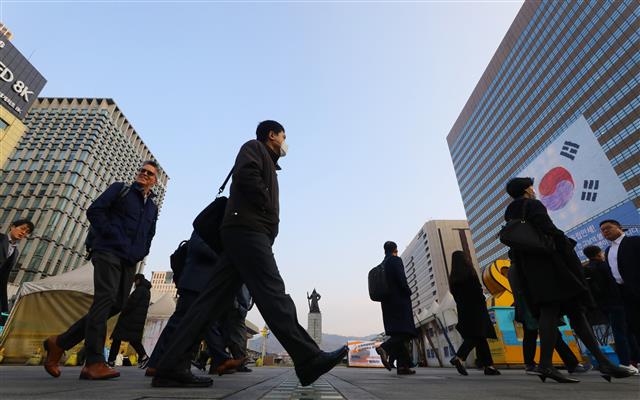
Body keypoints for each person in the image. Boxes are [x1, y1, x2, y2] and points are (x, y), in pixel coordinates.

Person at [152, 121, 348, 388]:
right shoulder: (254, 147)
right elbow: (245, 176)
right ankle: (308, 357)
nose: (285, 141)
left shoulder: (266, 158)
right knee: (272, 292)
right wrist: (266, 210)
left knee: (209, 304)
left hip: (243, 232)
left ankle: (170, 365)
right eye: (283, 136)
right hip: (248, 230)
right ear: (272, 135)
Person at [504, 177, 632, 383]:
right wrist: (566, 244)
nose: (534, 189)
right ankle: (549, 365)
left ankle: (602, 363)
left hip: (533, 270)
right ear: (527, 189)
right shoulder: (532, 205)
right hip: (552, 268)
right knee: (559, 311)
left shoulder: (511, 213)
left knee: (568, 311)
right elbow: (550, 231)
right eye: (531, 186)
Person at [42, 161, 160, 380]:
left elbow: (150, 234)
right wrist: (113, 236)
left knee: (118, 303)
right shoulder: (120, 189)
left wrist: (141, 252)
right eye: (142, 170)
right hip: (107, 251)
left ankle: (59, 342)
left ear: (155, 180)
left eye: (150, 173)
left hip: (129, 259)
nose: (144, 174)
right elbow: (95, 211)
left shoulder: (152, 207)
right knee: (104, 299)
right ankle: (94, 361)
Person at [146, 231, 246, 377]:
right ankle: (155, 364)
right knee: (180, 323)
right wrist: (224, 257)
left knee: (204, 323)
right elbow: (200, 247)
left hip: (203, 283)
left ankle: (221, 359)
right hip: (195, 282)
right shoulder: (205, 226)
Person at [508, 261, 589, 375]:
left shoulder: (512, 269)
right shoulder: (522, 266)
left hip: (526, 306)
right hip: (533, 306)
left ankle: (531, 364)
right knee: (552, 333)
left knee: (532, 335)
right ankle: (571, 363)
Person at [583, 245, 639, 374]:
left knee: (623, 331)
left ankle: (632, 361)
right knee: (623, 332)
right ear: (598, 254)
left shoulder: (588, 269)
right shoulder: (604, 266)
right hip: (616, 303)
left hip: (603, 306)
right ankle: (626, 362)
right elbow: (614, 283)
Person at [448, 251, 500, 376]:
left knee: (479, 337)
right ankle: (459, 356)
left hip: (463, 309)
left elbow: (455, 296)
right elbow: (477, 290)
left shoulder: (453, 278)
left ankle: (488, 366)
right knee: (477, 335)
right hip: (476, 308)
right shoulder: (470, 272)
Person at [600, 219, 640, 367]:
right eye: (602, 230)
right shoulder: (608, 250)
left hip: (637, 288)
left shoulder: (634, 242)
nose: (605, 232)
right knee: (635, 326)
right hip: (624, 294)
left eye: (608, 228)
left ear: (619, 227)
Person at [374, 241, 417, 376]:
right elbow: (401, 279)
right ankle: (384, 347)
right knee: (406, 332)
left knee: (398, 334)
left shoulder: (382, 264)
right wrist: (408, 292)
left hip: (387, 304)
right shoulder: (395, 260)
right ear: (395, 250)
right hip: (399, 302)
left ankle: (403, 367)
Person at [107, 274, 152, 368]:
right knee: (133, 340)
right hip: (136, 320)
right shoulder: (146, 291)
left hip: (129, 319)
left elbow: (131, 304)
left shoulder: (139, 290)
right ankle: (143, 357)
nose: (134, 284)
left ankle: (111, 361)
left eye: (135, 281)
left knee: (117, 339)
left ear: (138, 280)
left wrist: (123, 310)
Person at [1, 219, 34, 323]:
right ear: (12, 227)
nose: (24, 232)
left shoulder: (16, 252)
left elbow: (4, 275)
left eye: (27, 232)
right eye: (22, 228)